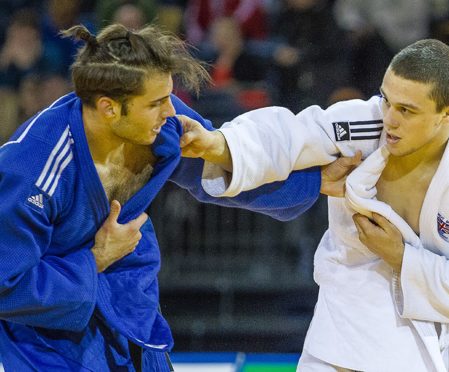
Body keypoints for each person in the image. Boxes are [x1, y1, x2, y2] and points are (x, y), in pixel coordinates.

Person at [0, 23, 334, 371]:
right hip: (46, 333)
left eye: (169, 98)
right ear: (109, 108)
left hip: (127, 296)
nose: (171, 112)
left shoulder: (159, 122)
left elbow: (220, 173)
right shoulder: (30, 168)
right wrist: (96, 258)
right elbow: (5, 284)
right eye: (157, 103)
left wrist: (314, 182)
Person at [182, 39, 449, 371]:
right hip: (344, 311)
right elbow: (289, 136)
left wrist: (402, 258)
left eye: (407, 110)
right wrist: (219, 143)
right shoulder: (365, 123)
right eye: (387, 100)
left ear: (447, 114)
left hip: (426, 332)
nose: (390, 118)